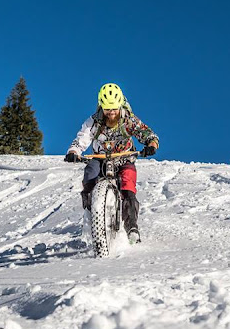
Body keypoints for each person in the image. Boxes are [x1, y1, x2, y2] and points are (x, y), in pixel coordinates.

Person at [64, 83, 159, 244]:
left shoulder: (128, 119)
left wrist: (151, 145)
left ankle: (132, 228)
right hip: (100, 158)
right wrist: (74, 152)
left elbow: (146, 133)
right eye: (107, 109)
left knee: (128, 185)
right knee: (90, 175)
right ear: (101, 106)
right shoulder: (94, 121)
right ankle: (90, 214)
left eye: (114, 108)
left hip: (124, 158)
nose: (111, 112)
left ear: (120, 104)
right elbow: (82, 138)